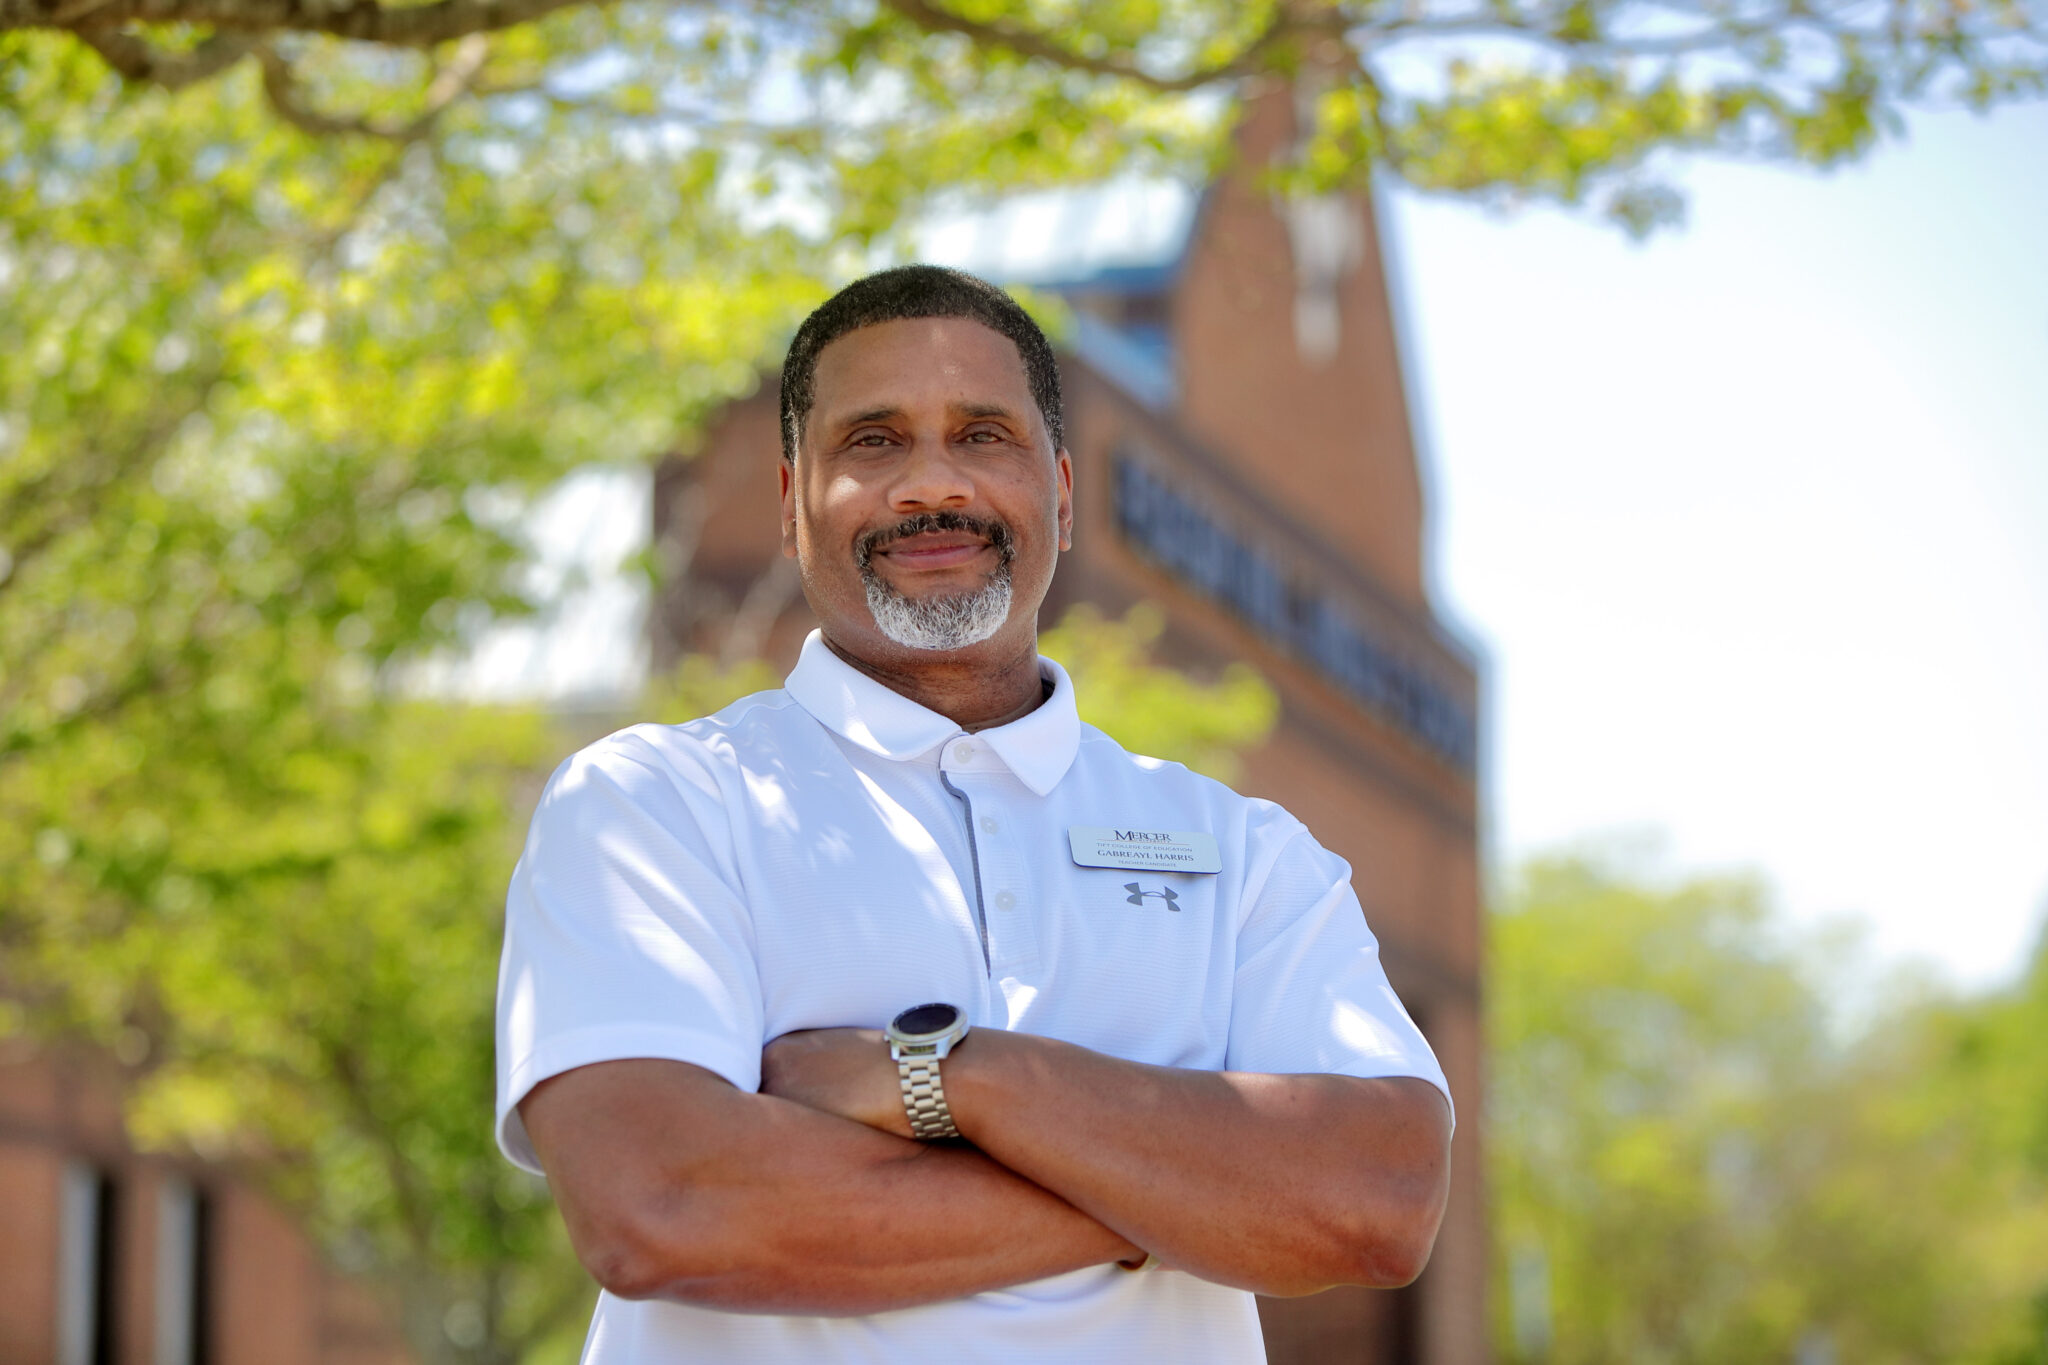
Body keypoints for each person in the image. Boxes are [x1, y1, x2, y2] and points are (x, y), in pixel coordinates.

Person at [494, 265, 1454, 1363]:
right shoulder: (654, 806)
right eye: (871, 442)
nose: (928, 483)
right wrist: (1185, 1199)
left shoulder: (1243, 854)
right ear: (788, 500)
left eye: (982, 435)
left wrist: (947, 1077)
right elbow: (664, 1208)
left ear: (1060, 490)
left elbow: (1376, 1198)